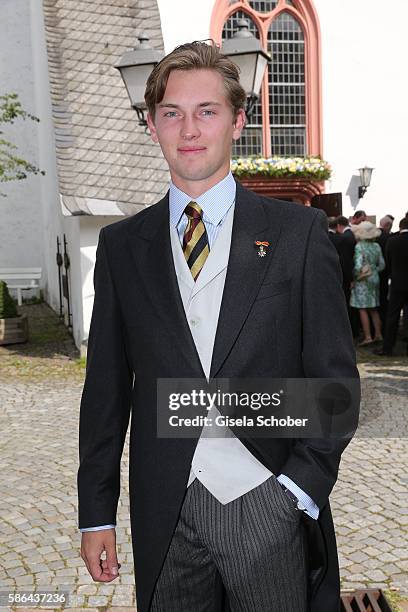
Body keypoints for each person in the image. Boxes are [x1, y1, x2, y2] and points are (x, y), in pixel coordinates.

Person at [77, 41, 359, 612]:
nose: (189, 129)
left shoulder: (298, 234)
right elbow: (105, 391)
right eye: (172, 113)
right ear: (152, 124)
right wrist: (96, 513)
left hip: (267, 497)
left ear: (238, 121)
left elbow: (335, 384)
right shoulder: (121, 245)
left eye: (206, 110)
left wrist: (296, 491)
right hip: (166, 506)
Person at [374, 217, 408, 355]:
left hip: (397, 284)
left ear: (400, 227)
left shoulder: (392, 241)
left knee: (392, 316)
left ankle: (388, 348)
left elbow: (387, 262)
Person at [350, 221, 385, 345]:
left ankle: (368, 336)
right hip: (374, 278)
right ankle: (379, 334)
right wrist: (373, 270)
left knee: (362, 308)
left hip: (363, 280)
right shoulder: (376, 246)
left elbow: (358, 266)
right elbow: (382, 265)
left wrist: (354, 277)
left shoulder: (359, 246)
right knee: (373, 308)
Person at [377, 215, 394, 328]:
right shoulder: (389, 238)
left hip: (373, 273)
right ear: (387, 225)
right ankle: (383, 325)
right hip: (385, 272)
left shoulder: (374, 236)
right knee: (383, 299)